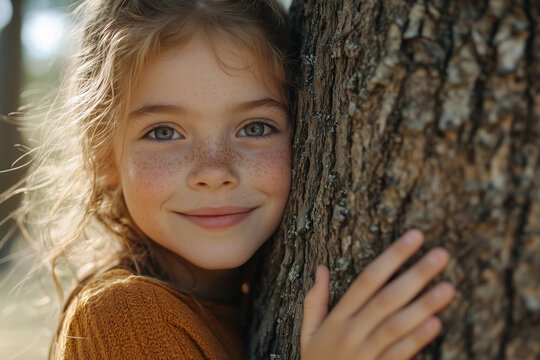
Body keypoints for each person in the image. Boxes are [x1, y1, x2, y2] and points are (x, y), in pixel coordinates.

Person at [9, 0, 455, 359]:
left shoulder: (242, 303)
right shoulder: (122, 318)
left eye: (255, 127)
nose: (215, 172)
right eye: (163, 132)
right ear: (104, 156)